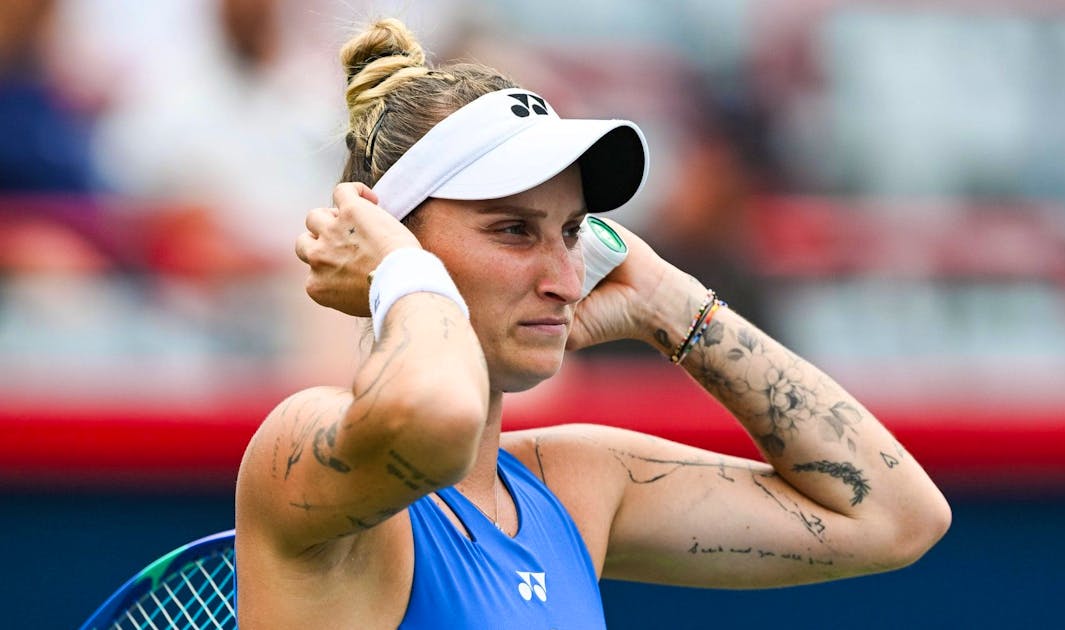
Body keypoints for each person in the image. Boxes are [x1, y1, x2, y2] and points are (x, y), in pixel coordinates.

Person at [234, 18, 951, 629]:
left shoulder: (576, 486)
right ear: (387, 233)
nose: (566, 278)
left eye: (573, 230)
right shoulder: (300, 447)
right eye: (514, 230)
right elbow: (438, 420)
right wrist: (397, 270)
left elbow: (896, 519)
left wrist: (666, 300)